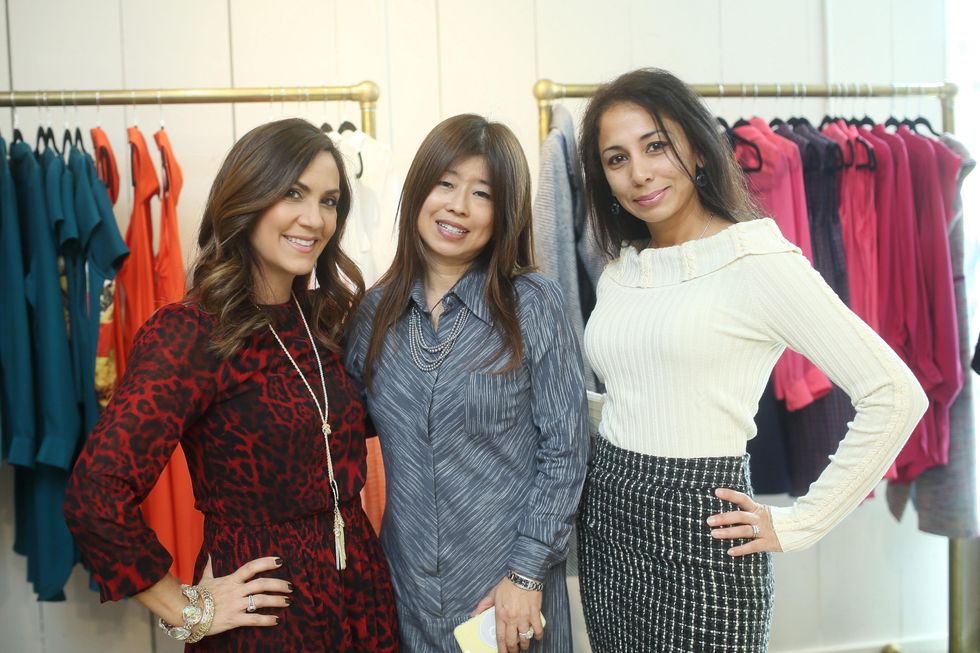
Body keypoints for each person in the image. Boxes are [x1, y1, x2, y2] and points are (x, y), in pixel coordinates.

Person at [575, 69, 928, 651]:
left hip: (703, 530)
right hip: (610, 522)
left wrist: (798, 523)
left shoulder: (756, 260)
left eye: (655, 146)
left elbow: (895, 394)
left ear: (698, 148)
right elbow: (639, 400)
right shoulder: (623, 268)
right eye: (616, 159)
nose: (639, 173)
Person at [64, 118, 400, 652]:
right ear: (247, 196)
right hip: (269, 618)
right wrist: (187, 608)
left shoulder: (326, 318)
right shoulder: (193, 333)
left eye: (330, 201)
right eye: (293, 193)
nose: (314, 219)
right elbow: (95, 494)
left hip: (363, 600)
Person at [344, 114, 589, 653]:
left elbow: (566, 452)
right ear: (418, 192)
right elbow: (331, 437)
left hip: (506, 599)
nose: (458, 206)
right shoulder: (372, 315)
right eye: (446, 184)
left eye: (483, 194)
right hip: (404, 596)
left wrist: (525, 575)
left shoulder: (533, 304)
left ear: (504, 215)